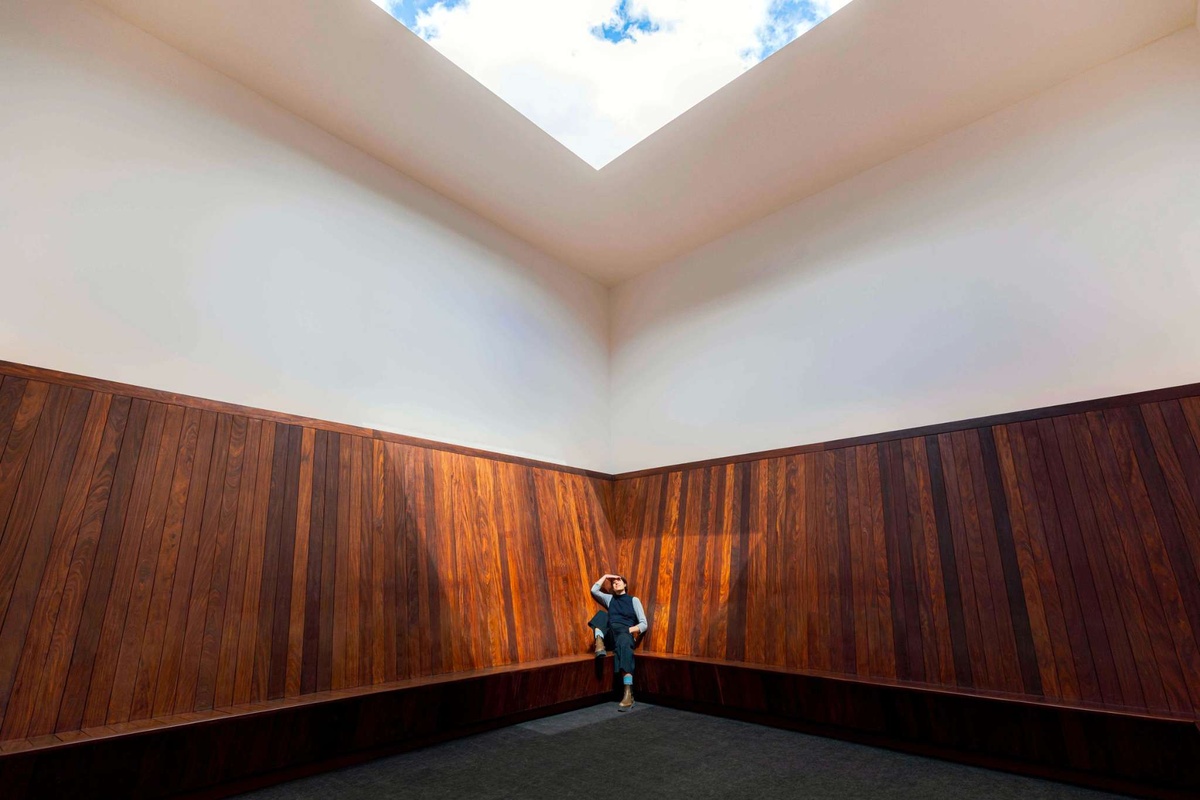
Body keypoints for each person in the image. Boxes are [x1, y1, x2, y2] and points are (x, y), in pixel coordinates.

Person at [588, 572, 647, 711]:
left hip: (624, 633)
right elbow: (594, 590)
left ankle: (628, 693)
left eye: (619, 580)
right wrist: (606, 576)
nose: (616, 583)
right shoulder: (610, 599)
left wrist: (630, 630)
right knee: (602, 615)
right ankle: (599, 643)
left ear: (625, 584)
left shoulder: (634, 600)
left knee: (625, 645)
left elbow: (644, 624)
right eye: (613, 583)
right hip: (610, 634)